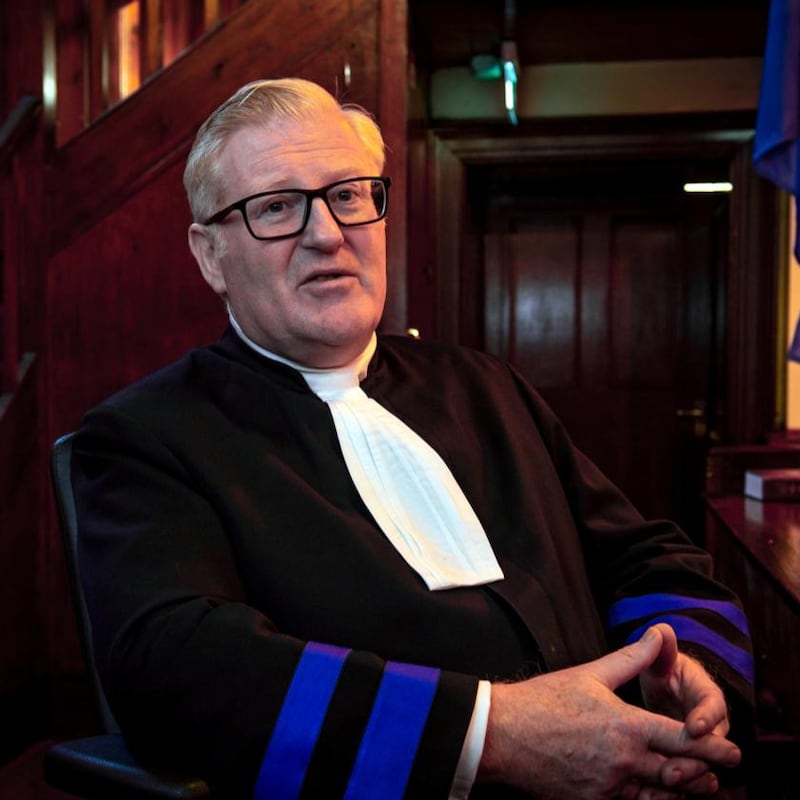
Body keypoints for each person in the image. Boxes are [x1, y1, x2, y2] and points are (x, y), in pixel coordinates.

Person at [72, 78, 754, 800]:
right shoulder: (146, 436)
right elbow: (178, 667)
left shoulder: (486, 387)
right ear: (210, 256)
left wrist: (684, 679)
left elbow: (651, 559)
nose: (327, 233)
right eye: (276, 207)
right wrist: (494, 736)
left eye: (349, 195)